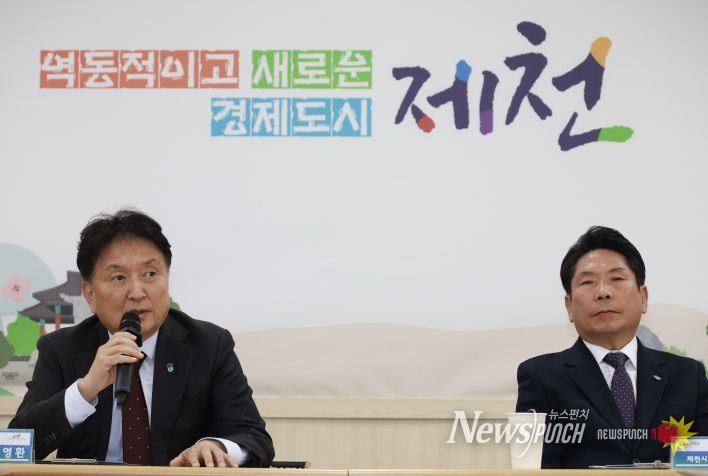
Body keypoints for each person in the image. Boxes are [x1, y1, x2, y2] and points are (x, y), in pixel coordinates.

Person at [10, 209, 275, 467]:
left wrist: (216, 447)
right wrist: (86, 389)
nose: (137, 292)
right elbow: (18, 444)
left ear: (167, 279)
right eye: (118, 277)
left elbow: (253, 437)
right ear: (90, 295)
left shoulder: (209, 344)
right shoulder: (61, 349)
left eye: (150, 274)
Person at [516, 226, 707, 468]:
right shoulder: (540, 377)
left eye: (616, 279)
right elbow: (536, 469)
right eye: (588, 282)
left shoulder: (688, 375)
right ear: (569, 306)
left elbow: (701, 464)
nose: (603, 292)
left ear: (643, 298)